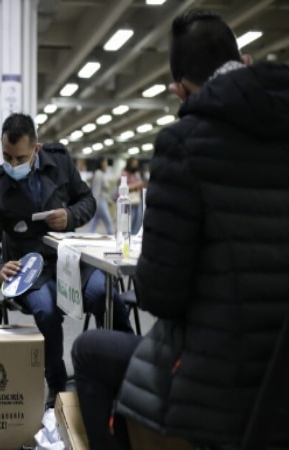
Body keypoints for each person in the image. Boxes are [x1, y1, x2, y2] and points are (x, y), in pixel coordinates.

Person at [71, 10, 289, 450]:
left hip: (225, 380)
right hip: (281, 377)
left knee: (89, 351)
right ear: (245, 61)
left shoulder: (183, 144)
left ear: (178, 88)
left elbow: (160, 295)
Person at [0, 113, 133, 409]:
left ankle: (122, 371)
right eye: (6, 157)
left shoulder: (59, 160)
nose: (12, 165)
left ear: (37, 149)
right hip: (28, 269)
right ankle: (58, 385)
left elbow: (87, 202)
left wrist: (70, 216)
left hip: (70, 260)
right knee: (46, 311)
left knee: (105, 293)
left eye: (19, 157)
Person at [87, 156, 114, 235]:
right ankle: (111, 237)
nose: (106, 164)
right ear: (101, 163)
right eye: (105, 162)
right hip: (100, 202)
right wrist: (94, 203)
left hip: (101, 201)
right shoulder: (99, 174)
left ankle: (89, 236)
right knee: (108, 222)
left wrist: (109, 200)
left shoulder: (100, 174)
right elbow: (97, 190)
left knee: (94, 222)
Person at [119, 157, 144, 235]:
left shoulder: (136, 174)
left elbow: (141, 184)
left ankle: (134, 236)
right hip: (129, 201)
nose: (135, 165)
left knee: (138, 221)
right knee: (130, 221)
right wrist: (136, 185)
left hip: (138, 199)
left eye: (136, 164)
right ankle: (128, 237)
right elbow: (124, 187)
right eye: (134, 164)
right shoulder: (124, 174)